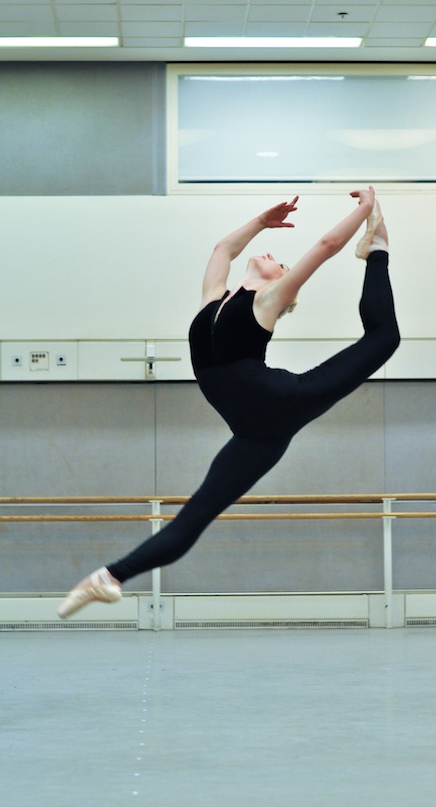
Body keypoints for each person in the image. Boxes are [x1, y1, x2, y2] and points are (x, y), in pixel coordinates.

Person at [58, 187, 400, 618]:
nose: (275, 256)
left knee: (384, 338)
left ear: (280, 281)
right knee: (195, 515)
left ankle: (378, 249)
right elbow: (223, 248)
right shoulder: (212, 302)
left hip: (284, 401)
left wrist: (367, 211)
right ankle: (109, 578)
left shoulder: (268, 301)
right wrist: (260, 221)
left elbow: (328, 246)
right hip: (254, 432)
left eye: (282, 263)